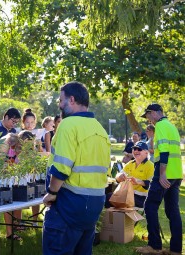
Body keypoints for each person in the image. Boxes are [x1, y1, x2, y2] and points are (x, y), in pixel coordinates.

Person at [42, 81, 110, 255]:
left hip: (69, 204)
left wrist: (52, 192)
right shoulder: (100, 129)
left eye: (61, 99)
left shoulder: (67, 125)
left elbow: (62, 168)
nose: (59, 104)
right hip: (94, 204)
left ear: (71, 99)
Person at [135, 104, 183, 255]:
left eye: (148, 115)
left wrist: (161, 174)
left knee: (150, 205)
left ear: (155, 113)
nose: (148, 120)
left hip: (164, 173)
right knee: (173, 211)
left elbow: (164, 151)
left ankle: (154, 246)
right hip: (176, 174)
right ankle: (175, 249)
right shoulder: (172, 127)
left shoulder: (161, 125)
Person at [0, 107, 21, 241]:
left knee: (8, 199)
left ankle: (9, 232)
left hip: (9, 170)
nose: (14, 124)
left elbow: (16, 149)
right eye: (13, 121)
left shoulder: (14, 131)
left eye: (16, 122)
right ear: (5, 117)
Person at [105, 141, 154, 208]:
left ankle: (119, 217)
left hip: (141, 198)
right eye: (134, 149)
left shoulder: (151, 166)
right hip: (126, 194)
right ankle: (113, 217)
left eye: (139, 149)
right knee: (108, 197)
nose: (136, 151)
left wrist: (138, 181)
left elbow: (151, 184)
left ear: (146, 152)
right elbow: (117, 178)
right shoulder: (130, 163)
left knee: (117, 200)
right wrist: (119, 176)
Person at [20, 109, 40, 225]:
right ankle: (19, 220)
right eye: (27, 122)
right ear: (23, 123)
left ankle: (35, 220)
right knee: (22, 192)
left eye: (32, 122)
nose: (30, 125)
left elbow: (40, 152)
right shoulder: (20, 134)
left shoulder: (38, 136)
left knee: (35, 192)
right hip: (23, 167)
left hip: (34, 167)